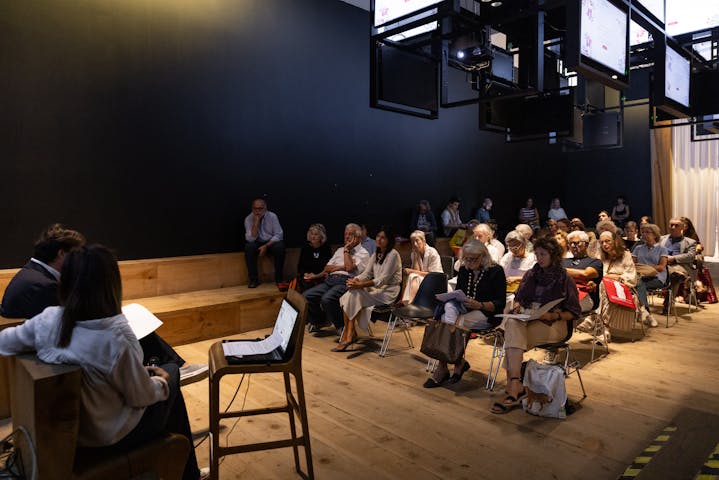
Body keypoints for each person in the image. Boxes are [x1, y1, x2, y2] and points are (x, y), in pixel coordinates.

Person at [0, 245, 204, 480]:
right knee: (170, 379)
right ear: (111, 284)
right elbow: (141, 397)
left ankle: (189, 473)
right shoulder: (116, 336)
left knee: (160, 384)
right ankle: (189, 475)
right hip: (109, 437)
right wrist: (162, 382)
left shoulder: (47, 319)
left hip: (75, 433)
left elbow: (5, 342)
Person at [0, 224, 205, 384]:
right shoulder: (43, 284)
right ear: (61, 254)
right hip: (65, 347)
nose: (79, 260)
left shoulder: (35, 274)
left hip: (54, 338)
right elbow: (76, 318)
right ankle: (171, 368)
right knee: (127, 330)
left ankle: (170, 366)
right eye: (76, 254)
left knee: (126, 326)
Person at [491, 237, 580, 414]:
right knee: (514, 325)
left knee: (512, 337)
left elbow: (574, 312)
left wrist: (552, 314)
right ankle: (516, 386)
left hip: (555, 323)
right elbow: (519, 297)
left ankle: (514, 388)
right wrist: (517, 306)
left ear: (553, 255)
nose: (539, 258)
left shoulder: (564, 278)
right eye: (537, 254)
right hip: (530, 319)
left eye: (543, 254)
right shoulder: (532, 274)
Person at [423, 241, 506, 388]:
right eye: (466, 258)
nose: (469, 262)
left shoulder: (496, 271)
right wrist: (455, 298)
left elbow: (500, 303)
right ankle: (456, 362)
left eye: (473, 258)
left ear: (484, 256)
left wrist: (479, 304)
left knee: (456, 323)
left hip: (486, 313)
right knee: (448, 309)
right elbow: (459, 293)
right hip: (465, 309)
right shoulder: (464, 270)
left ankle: (444, 367)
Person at [334, 228, 402, 352]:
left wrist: (361, 285)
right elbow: (366, 274)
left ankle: (349, 335)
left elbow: (383, 280)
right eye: (378, 236)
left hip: (388, 292)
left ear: (389, 240)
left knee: (354, 293)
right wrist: (356, 280)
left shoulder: (393, 255)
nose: (379, 239)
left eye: (383, 237)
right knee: (350, 293)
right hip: (375, 289)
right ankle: (349, 334)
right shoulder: (376, 254)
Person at [303, 224, 370, 333]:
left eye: (350, 234)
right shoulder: (339, 250)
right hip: (331, 280)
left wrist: (347, 250)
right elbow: (327, 268)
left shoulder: (363, 253)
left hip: (347, 282)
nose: (347, 237)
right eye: (345, 234)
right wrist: (341, 266)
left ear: (358, 237)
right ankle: (320, 321)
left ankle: (343, 328)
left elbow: (349, 268)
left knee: (327, 299)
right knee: (307, 296)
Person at [596, 231, 637, 341]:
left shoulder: (625, 254)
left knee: (603, 285)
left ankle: (595, 321)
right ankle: (606, 330)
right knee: (602, 286)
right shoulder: (600, 256)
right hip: (604, 286)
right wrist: (609, 277)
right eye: (602, 242)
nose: (604, 244)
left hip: (622, 286)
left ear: (615, 241)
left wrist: (617, 277)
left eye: (607, 241)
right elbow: (597, 272)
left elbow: (630, 274)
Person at [244, 198, 285, 289]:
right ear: (252, 208)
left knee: (280, 247)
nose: (258, 211)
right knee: (249, 247)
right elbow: (250, 239)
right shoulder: (248, 219)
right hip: (257, 242)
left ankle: (279, 279)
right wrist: (255, 223)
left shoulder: (272, 216)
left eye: (260, 208)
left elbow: (279, 235)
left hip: (270, 243)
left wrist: (266, 246)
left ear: (265, 208)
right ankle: (253, 280)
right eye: (255, 208)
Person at [659, 218, 697, 314]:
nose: (673, 227)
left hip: (680, 265)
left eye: (676, 225)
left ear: (683, 227)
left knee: (674, 274)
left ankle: (668, 304)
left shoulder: (690, 242)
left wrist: (674, 258)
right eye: (671, 225)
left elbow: (691, 256)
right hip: (662, 265)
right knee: (674, 275)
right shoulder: (661, 239)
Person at [632, 223, 667, 328]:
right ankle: (644, 313)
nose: (644, 234)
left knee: (638, 284)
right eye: (643, 232)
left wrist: (645, 268)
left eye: (647, 232)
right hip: (640, 277)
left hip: (657, 278)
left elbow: (661, 267)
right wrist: (643, 269)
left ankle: (645, 312)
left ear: (655, 235)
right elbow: (632, 264)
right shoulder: (638, 248)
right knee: (637, 283)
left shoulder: (662, 249)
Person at [564, 231, 603, 315]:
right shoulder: (563, 261)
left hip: (584, 296)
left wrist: (560, 271)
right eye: (570, 243)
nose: (573, 246)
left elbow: (586, 274)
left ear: (586, 244)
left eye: (576, 243)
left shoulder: (595, 262)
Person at [402, 230, 443, 303]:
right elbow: (416, 271)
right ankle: (410, 302)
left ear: (423, 241)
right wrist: (416, 256)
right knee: (413, 276)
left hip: (436, 280)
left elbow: (433, 274)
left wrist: (411, 271)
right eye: (412, 242)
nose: (415, 244)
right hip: (422, 280)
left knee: (412, 276)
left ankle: (409, 302)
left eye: (417, 241)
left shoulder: (432, 252)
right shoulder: (414, 253)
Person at [499, 230, 536, 298]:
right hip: (506, 290)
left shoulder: (532, 258)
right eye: (510, 247)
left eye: (516, 247)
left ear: (524, 244)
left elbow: (534, 277)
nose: (513, 250)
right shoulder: (508, 256)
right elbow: (499, 270)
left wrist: (516, 278)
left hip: (524, 291)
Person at [296, 223, 332, 292]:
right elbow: (300, 267)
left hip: (321, 275)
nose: (313, 236)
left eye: (316, 234)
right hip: (308, 276)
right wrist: (305, 274)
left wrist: (317, 275)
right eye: (311, 234)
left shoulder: (326, 248)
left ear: (322, 236)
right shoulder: (305, 247)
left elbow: (328, 266)